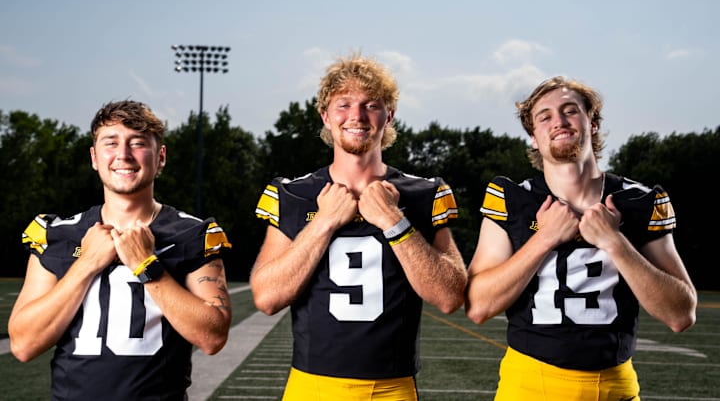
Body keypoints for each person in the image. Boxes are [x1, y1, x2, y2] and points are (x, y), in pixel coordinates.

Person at [251, 53, 468, 400]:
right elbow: (266, 297)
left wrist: (394, 221)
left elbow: (450, 297)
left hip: (392, 387)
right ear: (325, 115)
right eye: (344, 104)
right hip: (312, 385)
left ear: (389, 115)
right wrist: (323, 222)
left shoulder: (425, 193)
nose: (356, 115)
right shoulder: (293, 193)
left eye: (371, 105)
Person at [465, 76, 697, 400]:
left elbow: (681, 314)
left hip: (614, 386)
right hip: (529, 385)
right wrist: (543, 238)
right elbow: (477, 306)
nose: (558, 121)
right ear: (533, 137)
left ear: (593, 122)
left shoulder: (639, 201)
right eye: (544, 116)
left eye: (570, 110)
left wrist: (615, 242)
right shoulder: (514, 198)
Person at [8, 100, 233, 400]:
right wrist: (87, 263)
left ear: (161, 157)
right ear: (94, 157)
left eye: (137, 143)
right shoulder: (59, 235)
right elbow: (23, 345)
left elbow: (213, 337)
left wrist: (147, 266)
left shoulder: (191, 234)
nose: (123, 155)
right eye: (111, 143)